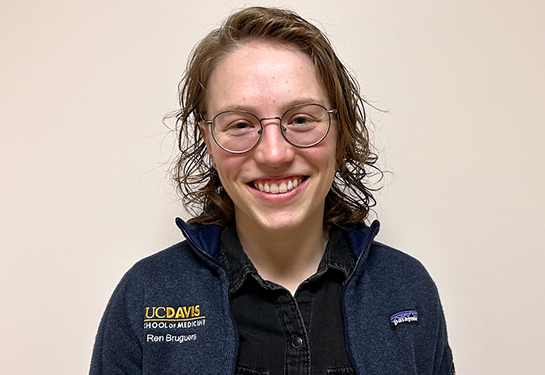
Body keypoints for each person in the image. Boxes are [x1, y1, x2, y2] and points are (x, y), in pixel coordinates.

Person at [90, 6, 454, 375]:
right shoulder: (146, 294)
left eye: (300, 119)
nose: (274, 153)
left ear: (339, 131)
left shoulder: (406, 288)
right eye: (241, 124)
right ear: (209, 143)